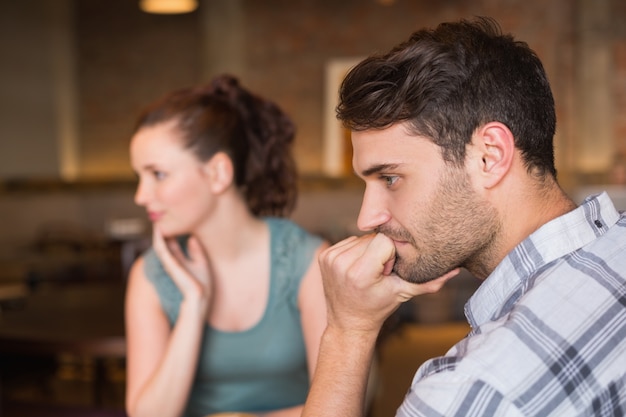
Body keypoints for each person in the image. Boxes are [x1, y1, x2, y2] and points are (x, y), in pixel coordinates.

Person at [302, 17, 626, 417]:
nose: (368, 217)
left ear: (489, 156)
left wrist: (347, 332)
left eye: (390, 178)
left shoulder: (467, 394)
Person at [125, 75, 329, 417]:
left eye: (158, 174)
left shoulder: (308, 261)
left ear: (218, 173)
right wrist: (193, 305)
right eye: (138, 178)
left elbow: (347, 403)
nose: (141, 196)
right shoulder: (149, 275)